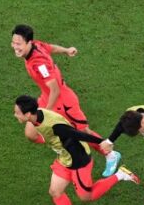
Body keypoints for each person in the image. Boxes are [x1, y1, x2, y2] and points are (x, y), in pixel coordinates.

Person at [14, 96, 140, 205]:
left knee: (86, 196)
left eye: (17, 113)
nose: (15, 115)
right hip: (64, 158)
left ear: (28, 114)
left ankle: (121, 174)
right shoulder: (37, 116)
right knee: (55, 191)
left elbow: (79, 135)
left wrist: (103, 142)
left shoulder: (55, 126)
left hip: (78, 160)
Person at [11, 24, 120, 175]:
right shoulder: (36, 45)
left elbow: (55, 89)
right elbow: (50, 48)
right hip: (46, 96)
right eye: (13, 43)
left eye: (18, 44)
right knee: (31, 134)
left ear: (28, 42)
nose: (15, 47)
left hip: (63, 100)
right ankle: (61, 145)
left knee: (83, 131)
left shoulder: (38, 63)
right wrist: (66, 50)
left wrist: (46, 114)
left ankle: (110, 154)